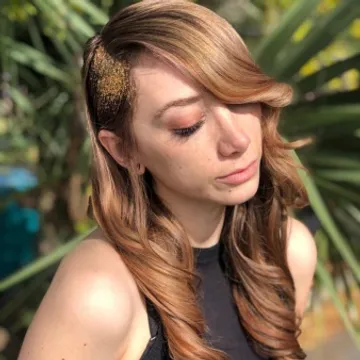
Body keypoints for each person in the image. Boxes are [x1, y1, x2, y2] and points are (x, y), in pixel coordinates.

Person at [18, 1, 317, 359]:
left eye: (240, 99)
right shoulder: (100, 294)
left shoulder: (286, 253)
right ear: (124, 151)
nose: (237, 140)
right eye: (187, 125)